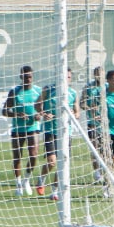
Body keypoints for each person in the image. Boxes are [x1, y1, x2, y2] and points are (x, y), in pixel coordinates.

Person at [36, 68, 78, 199]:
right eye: (65, 76)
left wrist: (73, 114)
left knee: (62, 163)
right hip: (51, 130)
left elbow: (77, 113)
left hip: (66, 132)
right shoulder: (48, 89)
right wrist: (44, 114)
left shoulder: (72, 93)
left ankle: (55, 191)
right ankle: (41, 179)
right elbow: (37, 105)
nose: (67, 79)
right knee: (52, 161)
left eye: (69, 77)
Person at [2, 65, 43, 196]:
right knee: (17, 157)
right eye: (25, 77)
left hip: (33, 127)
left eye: (30, 76)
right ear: (21, 77)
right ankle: (18, 183)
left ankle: (26, 179)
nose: (28, 79)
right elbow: (4, 111)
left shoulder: (38, 91)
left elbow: (42, 109)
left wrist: (39, 115)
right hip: (18, 129)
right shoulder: (14, 91)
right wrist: (16, 114)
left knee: (34, 154)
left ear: (33, 77)